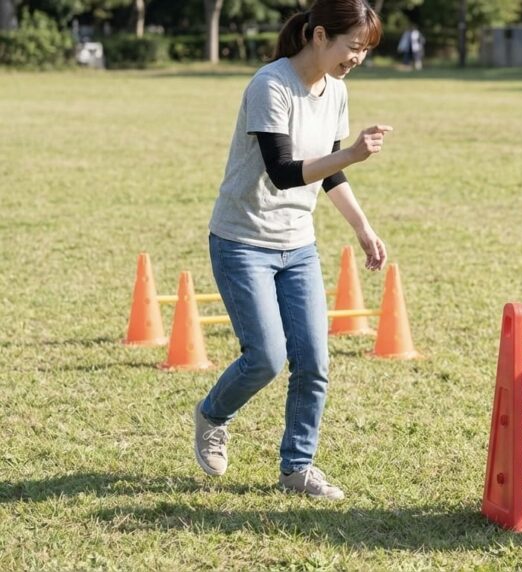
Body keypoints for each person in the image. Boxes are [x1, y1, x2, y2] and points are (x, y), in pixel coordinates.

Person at [195, 0, 390, 500]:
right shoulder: (271, 85)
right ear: (320, 35)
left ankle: (297, 469)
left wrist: (363, 228)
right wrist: (352, 152)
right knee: (266, 357)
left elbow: (330, 172)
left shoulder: (338, 91)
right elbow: (284, 172)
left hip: (297, 245)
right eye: (353, 47)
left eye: (365, 51)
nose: (357, 59)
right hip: (242, 241)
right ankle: (213, 414)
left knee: (314, 362)